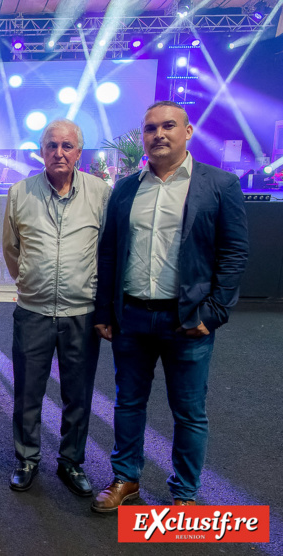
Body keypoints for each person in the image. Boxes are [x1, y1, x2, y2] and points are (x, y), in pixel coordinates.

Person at [91, 101, 249, 511]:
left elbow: (233, 254)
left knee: (190, 412)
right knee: (128, 403)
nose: (158, 134)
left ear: (188, 131)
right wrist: (104, 313)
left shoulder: (219, 185)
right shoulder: (126, 188)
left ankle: (184, 493)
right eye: (150, 128)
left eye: (168, 126)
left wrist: (213, 313)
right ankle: (126, 479)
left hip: (188, 319)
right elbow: (108, 253)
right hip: (132, 317)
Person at [2, 119, 111, 496]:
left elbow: (106, 252)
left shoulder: (100, 192)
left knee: (78, 395)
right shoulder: (20, 192)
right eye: (52, 145)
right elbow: (12, 250)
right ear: (42, 150)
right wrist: (33, 280)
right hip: (32, 310)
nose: (59, 152)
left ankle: (71, 462)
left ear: (79, 152)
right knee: (27, 392)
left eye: (67, 146)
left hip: (82, 312)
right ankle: (27, 458)